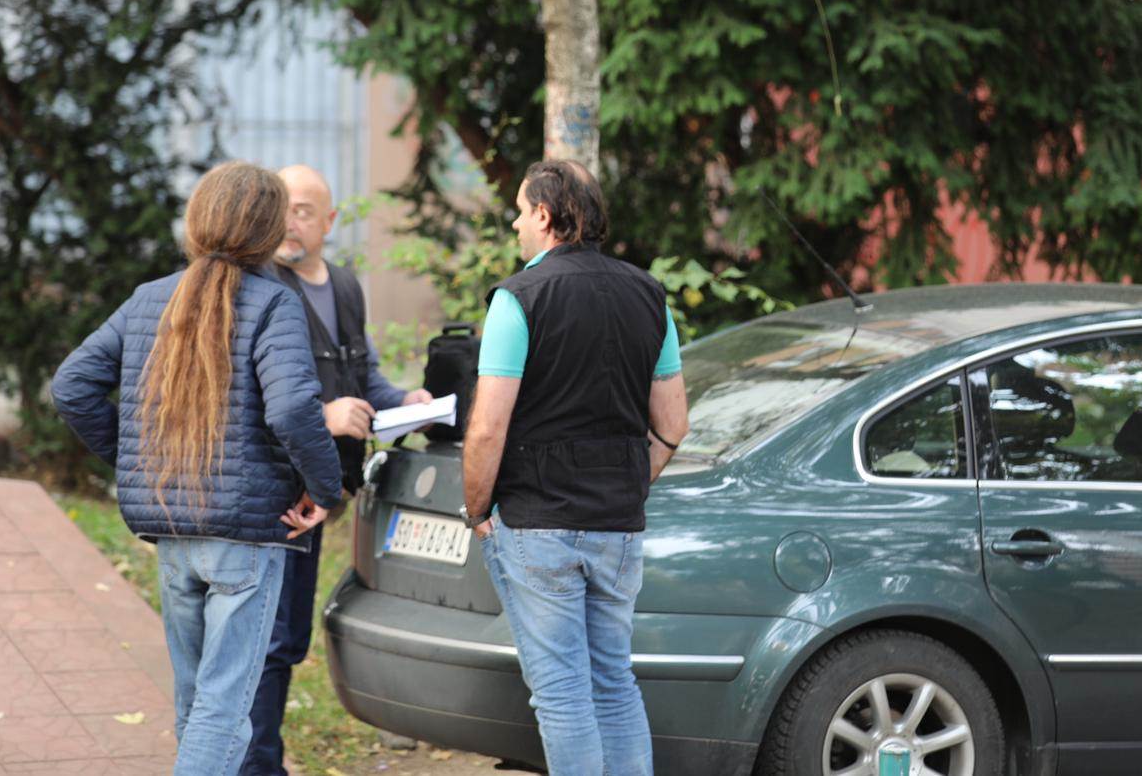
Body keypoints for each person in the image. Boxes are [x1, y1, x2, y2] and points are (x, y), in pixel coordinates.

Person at [51, 161, 344, 776]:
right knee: (223, 709)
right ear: (266, 230)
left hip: (174, 538)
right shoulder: (274, 303)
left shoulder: (149, 299)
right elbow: (294, 407)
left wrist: (137, 457)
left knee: (196, 704)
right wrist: (324, 490)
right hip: (245, 540)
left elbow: (72, 386)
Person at [459, 160, 690, 776]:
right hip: (618, 523)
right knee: (613, 682)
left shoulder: (517, 299)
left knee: (561, 692)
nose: (513, 222)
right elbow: (672, 425)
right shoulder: (650, 295)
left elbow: (487, 427)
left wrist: (477, 508)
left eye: (518, 208)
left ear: (544, 214)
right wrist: (630, 480)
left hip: (536, 520)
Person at [242, 164, 434, 776]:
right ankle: (258, 764)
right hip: (272, 488)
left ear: (329, 222)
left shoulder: (346, 285)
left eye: (304, 211)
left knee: (289, 637)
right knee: (269, 641)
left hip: (321, 490)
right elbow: (241, 391)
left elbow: (363, 374)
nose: (289, 222)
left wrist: (405, 401)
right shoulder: (257, 286)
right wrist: (321, 414)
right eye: (282, 208)